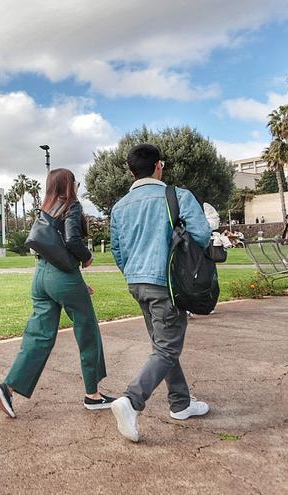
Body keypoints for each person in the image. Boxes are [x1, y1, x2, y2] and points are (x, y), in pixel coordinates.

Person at [108, 144, 212, 443]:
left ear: (131, 171)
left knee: (163, 346)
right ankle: (131, 400)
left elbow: (117, 249)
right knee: (167, 349)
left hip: (136, 282)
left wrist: (132, 270)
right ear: (159, 166)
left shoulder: (120, 206)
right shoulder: (177, 196)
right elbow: (202, 235)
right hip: (166, 282)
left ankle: (180, 404)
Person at [0, 168, 113, 419]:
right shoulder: (72, 206)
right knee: (87, 329)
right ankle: (93, 396)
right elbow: (71, 241)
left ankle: (8, 387)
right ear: (69, 184)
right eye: (75, 182)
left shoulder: (44, 210)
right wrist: (87, 258)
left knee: (39, 336)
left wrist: (77, 284)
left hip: (40, 277)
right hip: (63, 278)